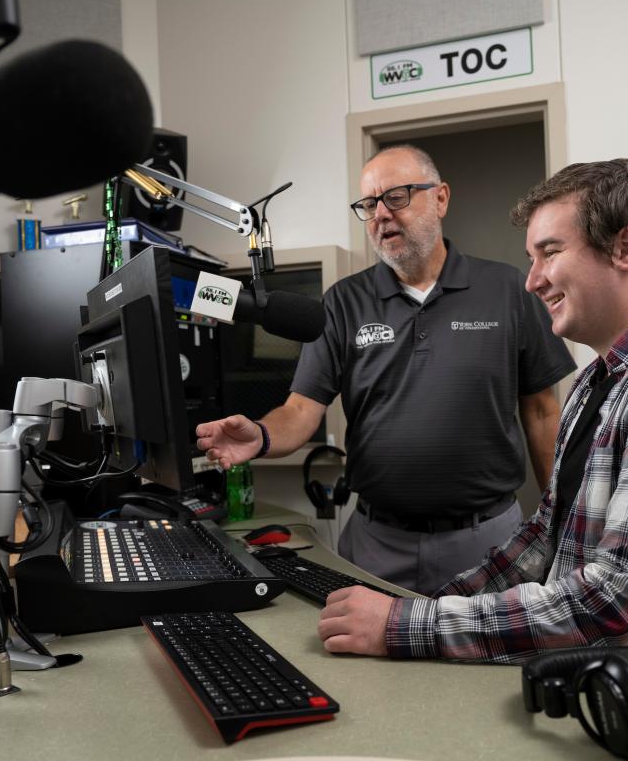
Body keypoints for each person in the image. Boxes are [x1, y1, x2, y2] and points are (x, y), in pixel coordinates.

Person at [316, 158, 628, 688]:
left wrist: (408, 626)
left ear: (625, 249)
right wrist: (422, 606)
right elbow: (544, 538)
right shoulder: (601, 381)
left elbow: (618, 604)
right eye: (531, 258)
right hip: (608, 681)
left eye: (549, 253)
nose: (532, 281)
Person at [197, 145, 575, 594]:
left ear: (440, 198)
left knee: (489, 664)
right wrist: (259, 435)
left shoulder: (510, 289)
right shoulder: (343, 301)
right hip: (377, 543)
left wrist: (562, 521)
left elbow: (542, 412)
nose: (380, 214)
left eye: (396, 197)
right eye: (369, 204)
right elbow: (301, 409)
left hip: (488, 540)